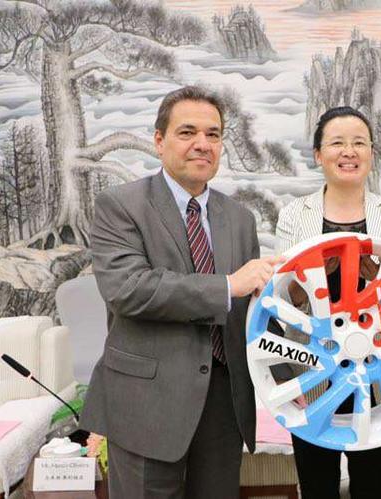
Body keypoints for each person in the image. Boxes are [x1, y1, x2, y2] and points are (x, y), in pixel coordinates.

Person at [81, 85, 283, 498]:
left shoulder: (240, 219)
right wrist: (228, 285)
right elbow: (128, 288)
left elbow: (249, 310)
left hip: (224, 404)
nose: (202, 144)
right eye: (187, 132)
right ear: (159, 141)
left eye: (213, 134)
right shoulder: (119, 205)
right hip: (146, 404)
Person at [275, 106, 381, 499]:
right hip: (313, 372)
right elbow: (280, 298)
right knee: (317, 487)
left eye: (359, 143)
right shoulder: (294, 215)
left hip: (378, 372)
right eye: (337, 143)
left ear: (371, 153)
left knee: (374, 488)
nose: (348, 152)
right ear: (318, 154)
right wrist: (312, 279)